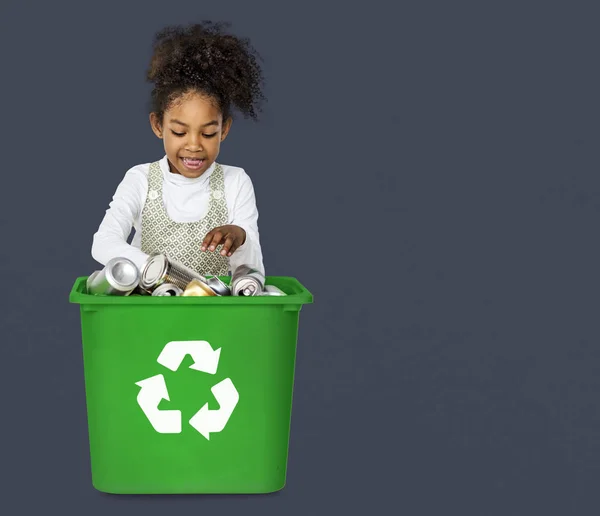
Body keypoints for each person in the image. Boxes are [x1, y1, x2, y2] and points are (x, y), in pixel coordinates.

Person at [91, 21, 266, 278]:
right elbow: (103, 243)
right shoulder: (141, 180)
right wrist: (161, 270)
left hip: (215, 316)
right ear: (158, 125)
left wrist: (241, 238)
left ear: (224, 129)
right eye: (179, 132)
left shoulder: (235, 182)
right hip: (150, 313)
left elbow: (250, 273)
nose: (194, 145)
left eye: (208, 133)